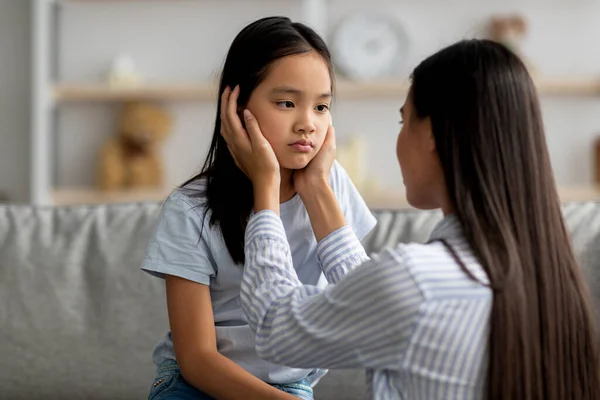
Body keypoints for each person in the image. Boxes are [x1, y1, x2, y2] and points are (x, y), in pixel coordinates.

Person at [223, 39, 600, 399]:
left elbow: (277, 328)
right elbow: (378, 301)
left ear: (432, 133)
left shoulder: (415, 279)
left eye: (404, 122)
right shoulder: (546, 277)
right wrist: (318, 188)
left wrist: (265, 189)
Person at [141, 16, 376, 400]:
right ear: (236, 105)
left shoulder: (333, 188)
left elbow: (367, 306)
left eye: (321, 107)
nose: (307, 124)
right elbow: (197, 359)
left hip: (290, 385)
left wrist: (316, 187)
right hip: (196, 384)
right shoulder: (190, 210)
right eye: (287, 103)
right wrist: (265, 182)